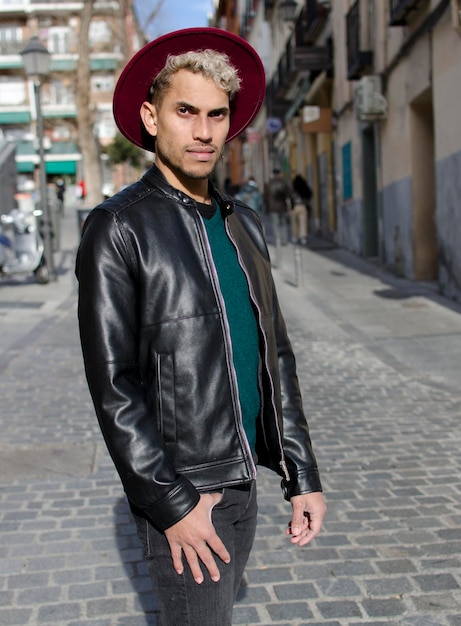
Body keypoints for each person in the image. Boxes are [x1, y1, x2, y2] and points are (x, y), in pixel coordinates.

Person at [76, 27, 325, 626]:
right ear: (151, 116)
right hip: (187, 493)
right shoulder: (118, 228)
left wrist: (301, 474)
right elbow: (114, 386)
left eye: (217, 114)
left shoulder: (245, 223)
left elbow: (277, 358)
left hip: (245, 483)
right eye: (185, 111)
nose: (205, 130)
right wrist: (171, 502)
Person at [264, 168, 291, 245]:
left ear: (272, 174)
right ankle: (284, 240)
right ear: (279, 174)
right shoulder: (284, 183)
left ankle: (277, 240)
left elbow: (266, 197)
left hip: (272, 208)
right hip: (282, 207)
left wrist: (266, 208)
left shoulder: (269, 184)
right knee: (283, 224)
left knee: (275, 224)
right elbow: (288, 194)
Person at [290, 174, 312, 245]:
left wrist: (291, 207)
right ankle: (303, 237)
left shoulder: (293, 189)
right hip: (303, 206)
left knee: (294, 223)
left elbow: (291, 198)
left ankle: (295, 237)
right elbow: (310, 194)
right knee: (303, 223)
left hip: (295, 207)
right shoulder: (304, 188)